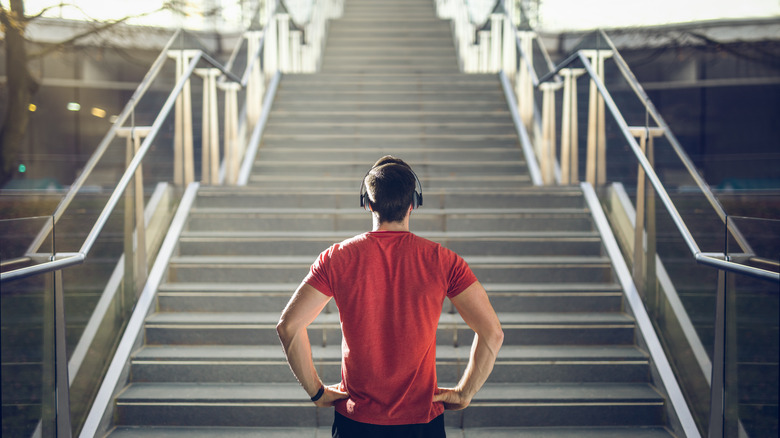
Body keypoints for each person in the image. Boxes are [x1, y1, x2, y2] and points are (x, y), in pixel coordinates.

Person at [277, 156, 504, 437]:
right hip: (422, 422)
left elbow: (288, 327)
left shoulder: (336, 258)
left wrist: (317, 392)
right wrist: (464, 392)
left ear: (367, 203)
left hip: (357, 421)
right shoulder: (443, 261)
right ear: (414, 203)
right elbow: (492, 333)